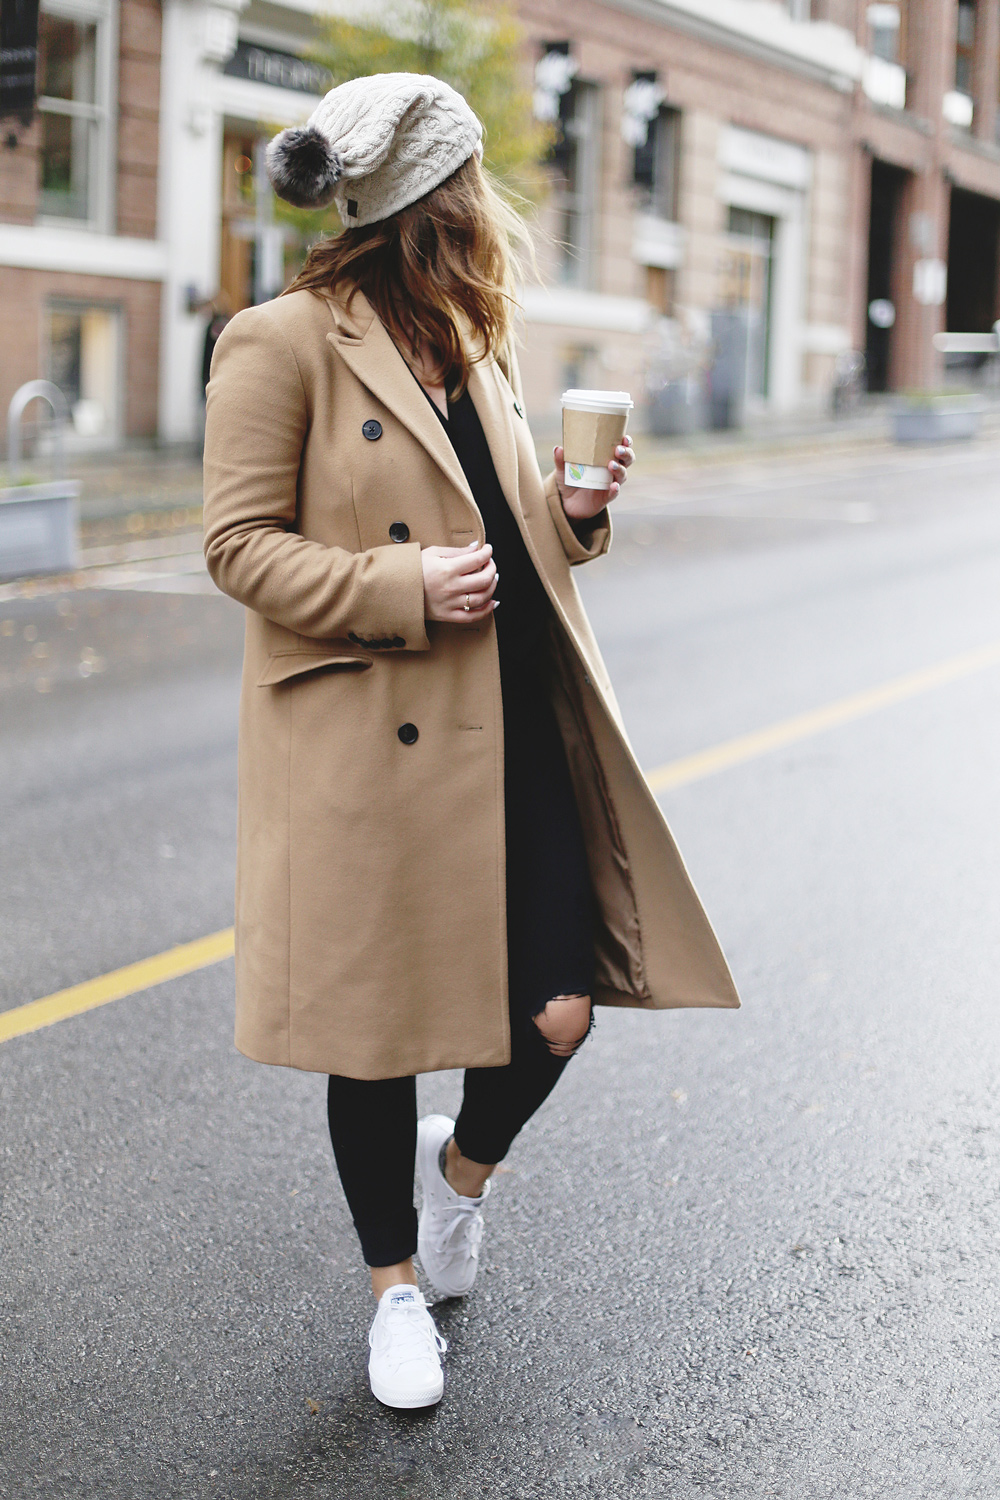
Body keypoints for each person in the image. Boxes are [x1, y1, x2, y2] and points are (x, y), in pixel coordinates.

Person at [202, 72, 739, 1412]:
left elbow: (515, 541)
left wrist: (572, 508)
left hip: (512, 722)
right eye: (469, 181)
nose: (487, 205)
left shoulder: (468, 338)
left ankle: (461, 1183)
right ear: (426, 201)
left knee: (558, 1011)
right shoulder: (282, 343)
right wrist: (398, 590)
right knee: (377, 1034)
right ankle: (393, 1291)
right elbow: (234, 545)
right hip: (373, 738)